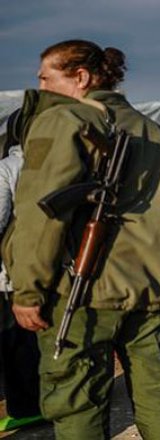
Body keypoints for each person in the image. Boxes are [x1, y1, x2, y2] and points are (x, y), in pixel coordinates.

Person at [4, 40, 160, 439]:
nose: (40, 86)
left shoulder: (62, 120)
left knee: (77, 401)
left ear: (81, 77)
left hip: (83, 291)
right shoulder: (153, 130)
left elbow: (40, 216)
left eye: (46, 77)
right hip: (151, 288)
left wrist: (27, 291)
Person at [0, 108, 43, 432]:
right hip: (62, 271)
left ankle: (26, 407)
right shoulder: (68, 164)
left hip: (15, 276)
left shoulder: (8, 168)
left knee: (17, 343)